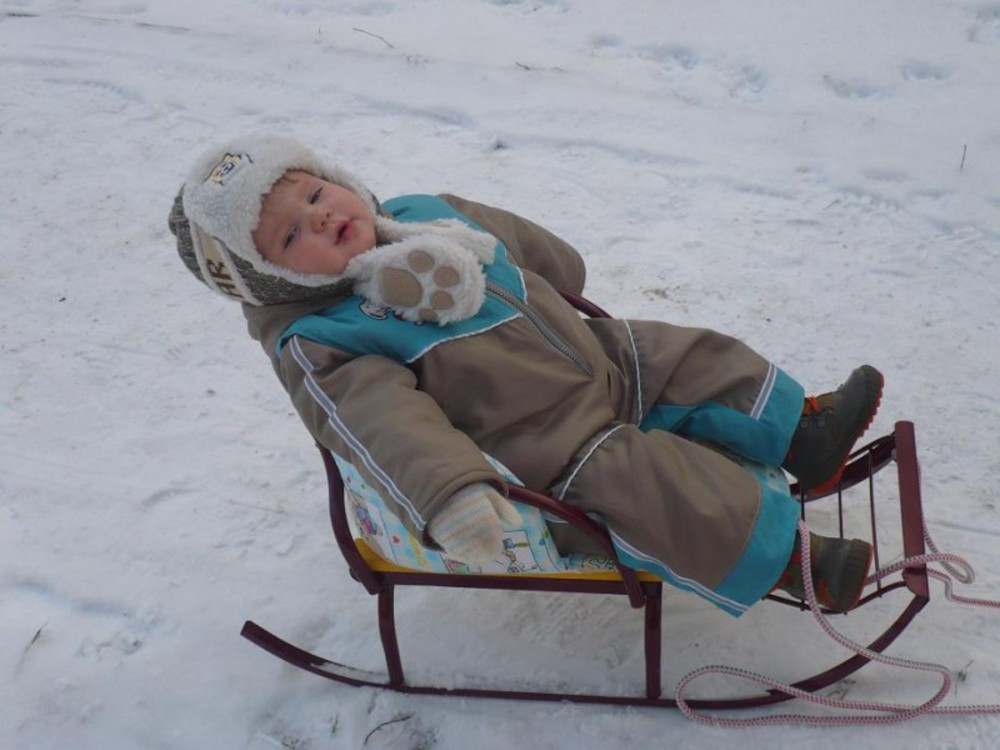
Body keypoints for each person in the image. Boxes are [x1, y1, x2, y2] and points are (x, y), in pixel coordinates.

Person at [168, 134, 882, 616]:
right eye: (291, 235)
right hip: (554, 451)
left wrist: (553, 265)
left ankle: (803, 433)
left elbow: (534, 254)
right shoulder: (325, 340)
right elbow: (386, 428)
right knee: (654, 483)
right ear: (269, 280)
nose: (322, 220)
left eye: (317, 196)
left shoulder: (421, 216)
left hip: (600, 361)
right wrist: (453, 497)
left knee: (687, 353)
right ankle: (795, 563)